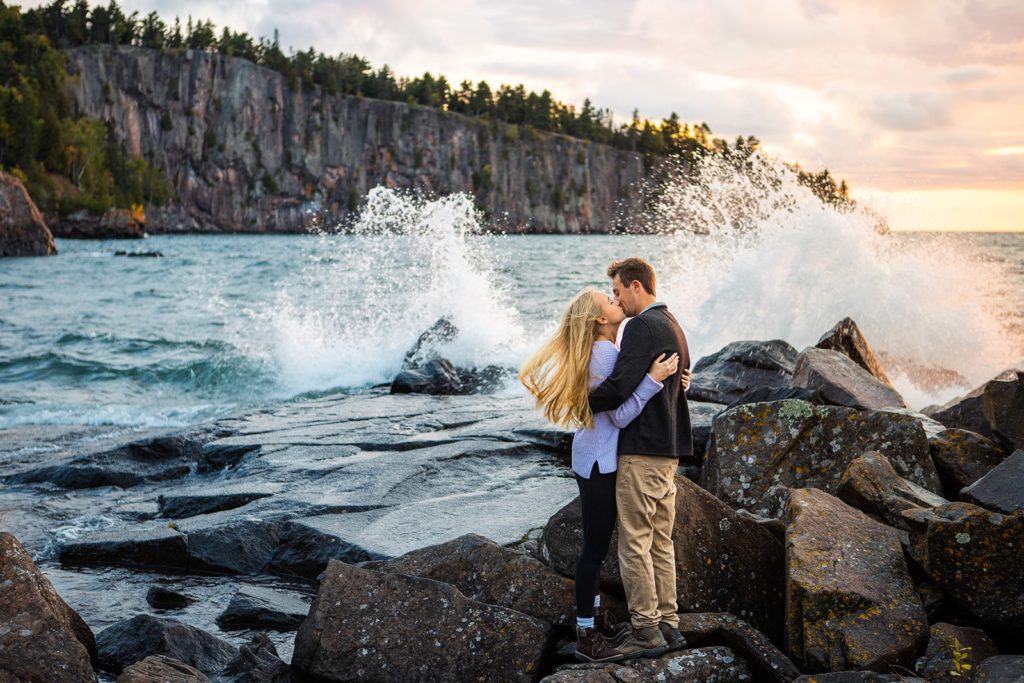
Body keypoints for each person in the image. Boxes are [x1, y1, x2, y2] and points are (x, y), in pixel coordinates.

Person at [519, 287, 686, 662]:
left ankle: (593, 620)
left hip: (593, 457)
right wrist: (656, 380)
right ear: (599, 319)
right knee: (593, 550)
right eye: (609, 302)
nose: (616, 303)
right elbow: (622, 414)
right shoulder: (606, 353)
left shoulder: (601, 351)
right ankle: (585, 634)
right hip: (599, 462)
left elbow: (616, 402)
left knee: (595, 547)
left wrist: (673, 383)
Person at [588, 257, 692, 659]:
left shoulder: (641, 326)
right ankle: (669, 623)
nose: (617, 299)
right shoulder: (673, 323)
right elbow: (683, 382)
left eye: (616, 291)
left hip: (643, 449)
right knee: (660, 541)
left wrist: (576, 399)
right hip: (670, 451)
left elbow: (617, 389)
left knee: (634, 543)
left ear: (634, 286)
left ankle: (646, 631)